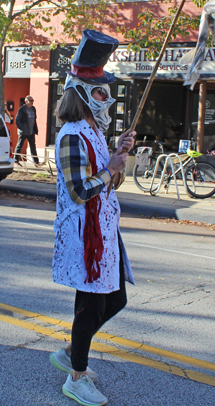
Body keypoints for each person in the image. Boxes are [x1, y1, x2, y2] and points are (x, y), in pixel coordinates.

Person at [49, 30, 135, 406]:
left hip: (105, 227)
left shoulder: (94, 131)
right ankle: (77, 375)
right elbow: (78, 191)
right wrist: (108, 170)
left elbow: (109, 183)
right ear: (81, 92)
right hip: (86, 235)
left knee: (116, 301)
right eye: (100, 91)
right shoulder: (71, 135)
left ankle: (72, 351)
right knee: (91, 306)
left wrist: (118, 156)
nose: (106, 96)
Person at [14, 95, 40, 165]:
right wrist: (22, 128)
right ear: (26, 101)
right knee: (20, 145)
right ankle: (15, 160)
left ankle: (36, 162)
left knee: (33, 146)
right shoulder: (22, 109)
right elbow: (17, 120)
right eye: (30, 101)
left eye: (33, 101)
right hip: (23, 131)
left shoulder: (33, 109)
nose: (32, 102)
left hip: (31, 131)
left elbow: (34, 120)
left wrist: (35, 129)